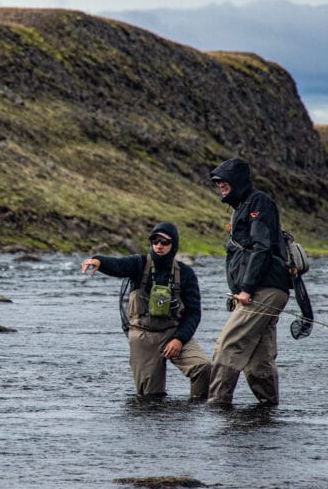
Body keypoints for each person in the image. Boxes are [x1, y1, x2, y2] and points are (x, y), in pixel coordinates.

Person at [81, 222, 211, 399]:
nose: (159, 245)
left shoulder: (186, 273)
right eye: (155, 241)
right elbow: (117, 265)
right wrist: (98, 261)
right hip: (143, 336)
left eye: (165, 242)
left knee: (203, 368)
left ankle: (195, 412)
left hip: (175, 333)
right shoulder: (139, 264)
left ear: (174, 245)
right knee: (150, 399)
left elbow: (194, 313)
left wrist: (179, 339)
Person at [207, 158, 291, 406]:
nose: (220, 185)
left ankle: (217, 403)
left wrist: (246, 289)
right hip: (262, 289)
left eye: (224, 180)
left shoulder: (259, 202)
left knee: (229, 344)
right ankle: (268, 409)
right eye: (217, 182)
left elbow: (261, 247)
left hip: (263, 289)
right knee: (258, 357)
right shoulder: (241, 207)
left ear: (238, 181)